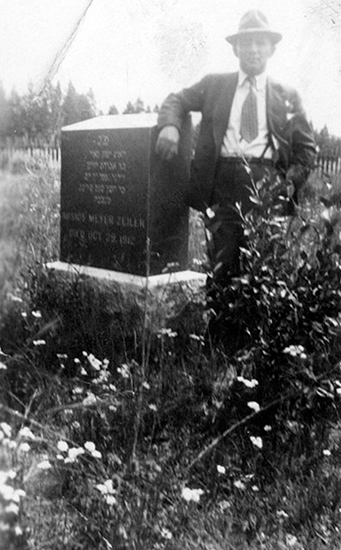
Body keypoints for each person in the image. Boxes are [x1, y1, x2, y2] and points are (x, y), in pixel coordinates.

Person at [155, 10, 316, 282]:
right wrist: (169, 126)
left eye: (260, 42)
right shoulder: (214, 85)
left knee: (264, 272)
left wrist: (288, 183)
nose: (253, 49)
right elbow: (176, 100)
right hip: (223, 186)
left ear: (271, 49)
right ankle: (218, 323)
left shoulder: (288, 96)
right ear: (235, 48)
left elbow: (307, 151)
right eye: (246, 42)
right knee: (222, 269)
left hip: (269, 187)